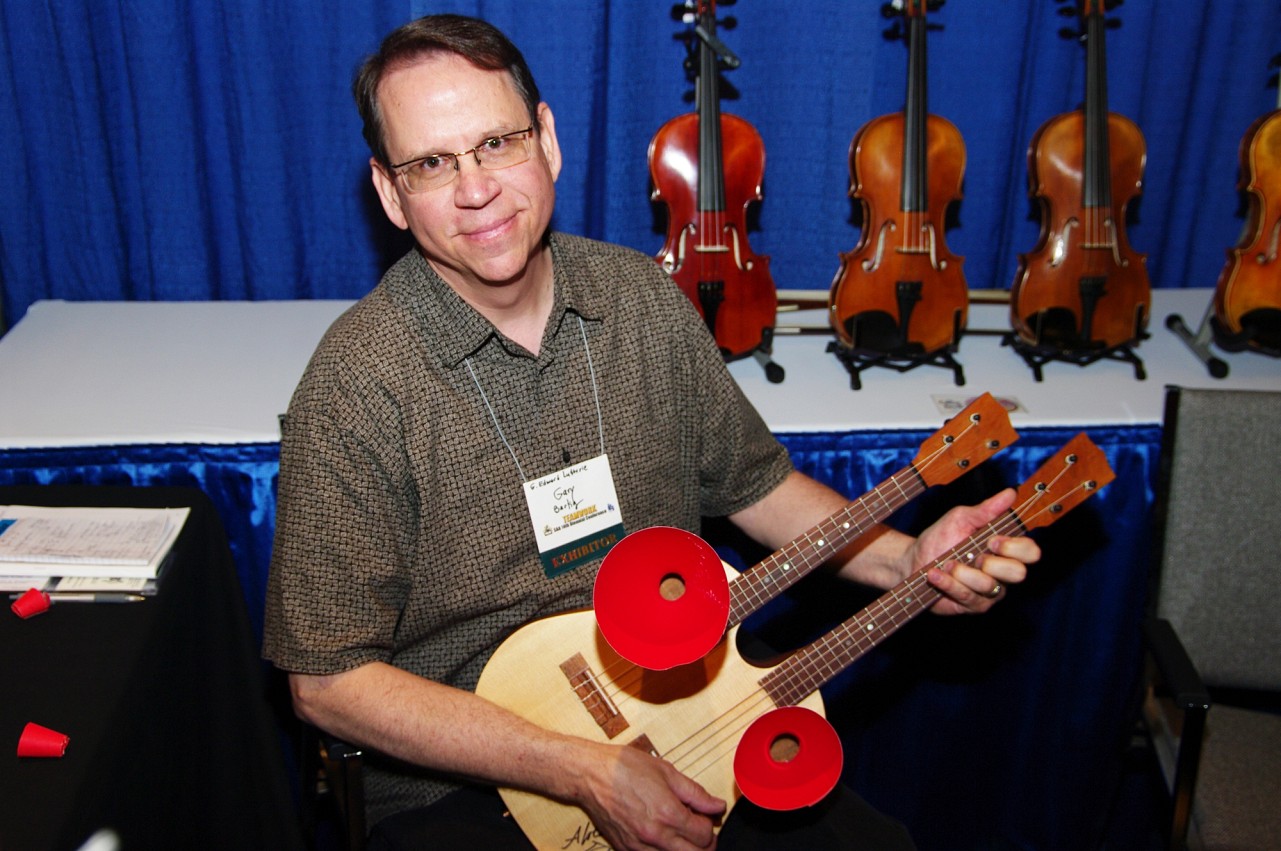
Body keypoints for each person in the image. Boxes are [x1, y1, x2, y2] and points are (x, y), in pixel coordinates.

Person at [263, 13, 1040, 850]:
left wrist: (904, 559)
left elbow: (756, 485)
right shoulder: (357, 386)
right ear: (388, 191)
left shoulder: (640, 297)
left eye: (497, 143)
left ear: (548, 139)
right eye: (431, 163)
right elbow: (327, 682)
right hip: (474, 783)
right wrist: (580, 768)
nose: (475, 187)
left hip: (688, 707)